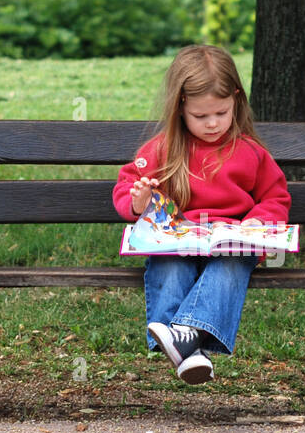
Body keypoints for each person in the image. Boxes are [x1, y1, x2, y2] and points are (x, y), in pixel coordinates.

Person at [112, 45, 291, 384]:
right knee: (170, 264)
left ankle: (180, 335)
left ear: (236, 100)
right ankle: (187, 344)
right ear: (180, 108)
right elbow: (127, 188)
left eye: (221, 113)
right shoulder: (161, 150)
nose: (212, 124)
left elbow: (275, 196)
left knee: (231, 265)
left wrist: (259, 222)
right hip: (179, 240)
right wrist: (139, 202)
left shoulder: (250, 152)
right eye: (200, 116)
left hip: (230, 242)